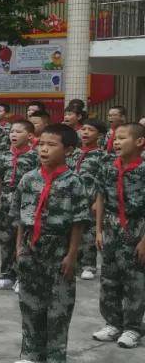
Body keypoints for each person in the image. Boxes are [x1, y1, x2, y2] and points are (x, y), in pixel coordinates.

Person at [11, 124, 89, 363]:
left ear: (68, 149)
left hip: (59, 249)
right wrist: (19, 248)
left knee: (59, 306)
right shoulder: (28, 179)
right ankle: (32, 353)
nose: (44, 149)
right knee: (30, 303)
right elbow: (20, 216)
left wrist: (72, 254)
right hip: (31, 249)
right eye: (41, 144)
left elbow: (78, 221)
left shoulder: (74, 181)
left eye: (51, 145)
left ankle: (56, 358)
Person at [92, 122, 145, 349]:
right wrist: (98, 230)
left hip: (137, 226)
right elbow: (100, 199)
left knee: (134, 280)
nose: (116, 142)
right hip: (112, 227)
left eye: (123, 138)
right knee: (109, 277)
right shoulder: (108, 167)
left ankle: (133, 327)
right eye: (115, 138)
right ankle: (112, 322)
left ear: (140, 142)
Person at [0, 119, 38, 291]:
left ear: (30, 136)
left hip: (26, 201)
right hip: (6, 201)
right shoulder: (4, 155)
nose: (13, 135)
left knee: (24, 239)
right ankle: (7, 275)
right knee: (6, 239)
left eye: (18, 132)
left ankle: (23, 277)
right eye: (12, 132)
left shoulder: (35, 156)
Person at [72, 118, 106, 281]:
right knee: (74, 230)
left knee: (90, 233)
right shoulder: (74, 153)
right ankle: (75, 263)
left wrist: (96, 202)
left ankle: (89, 265)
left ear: (99, 135)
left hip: (90, 199)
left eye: (90, 130)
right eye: (83, 129)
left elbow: (103, 181)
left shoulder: (103, 156)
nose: (85, 132)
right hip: (73, 199)